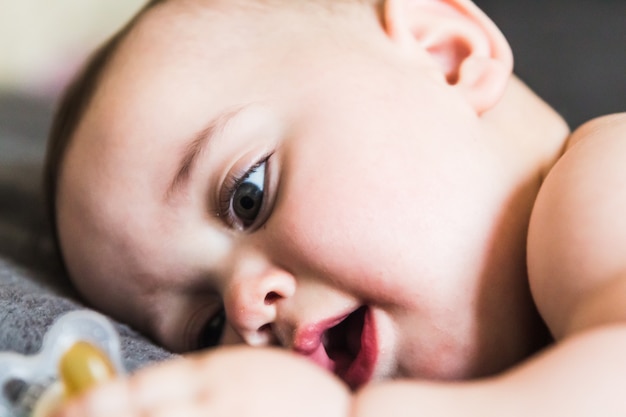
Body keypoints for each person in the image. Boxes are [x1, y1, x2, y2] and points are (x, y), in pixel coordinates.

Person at [44, 0, 626, 415]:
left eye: (248, 195)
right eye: (208, 328)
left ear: (446, 55)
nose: (246, 310)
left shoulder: (597, 181)